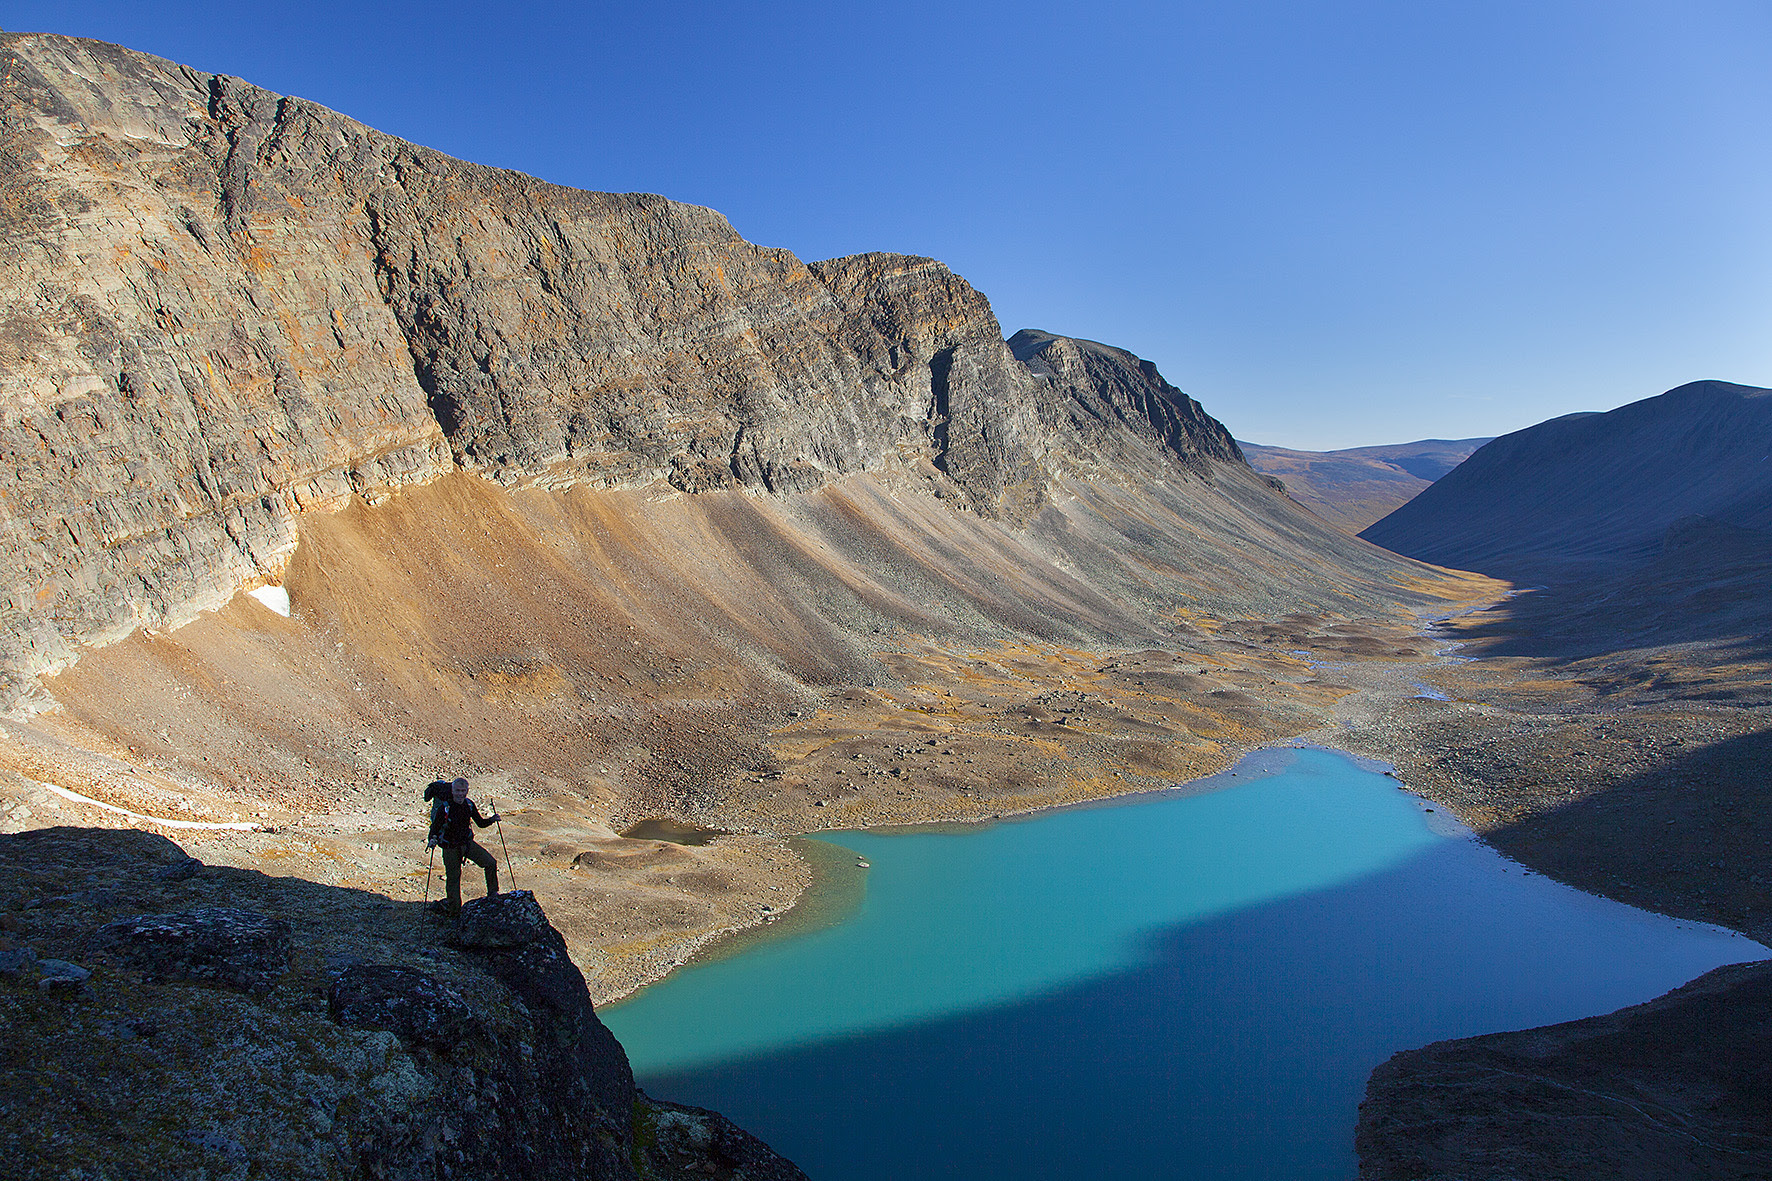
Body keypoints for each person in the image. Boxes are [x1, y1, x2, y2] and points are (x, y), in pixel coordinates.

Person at [427, 777, 501, 915]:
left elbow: (480, 823)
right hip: (450, 847)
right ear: (452, 790)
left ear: (467, 791)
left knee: (490, 862)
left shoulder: (469, 804)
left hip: (466, 844)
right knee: (453, 878)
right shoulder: (445, 808)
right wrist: (432, 839)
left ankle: (493, 894)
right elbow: (435, 828)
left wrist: (492, 820)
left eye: (463, 791)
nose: (460, 794)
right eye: (457, 791)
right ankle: (454, 910)